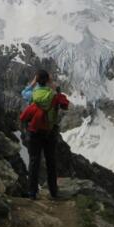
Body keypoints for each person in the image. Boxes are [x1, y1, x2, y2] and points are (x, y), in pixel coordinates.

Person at [19, 69, 69, 200]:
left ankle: (32, 193)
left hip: (34, 131)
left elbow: (23, 93)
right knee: (51, 161)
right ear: (48, 80)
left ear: (37, 80)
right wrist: (55, 87)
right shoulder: (53, 95)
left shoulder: (32, 94)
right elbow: (64, 104)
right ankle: (53, 192)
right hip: (50, 132)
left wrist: (32, 83)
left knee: (34, 161)